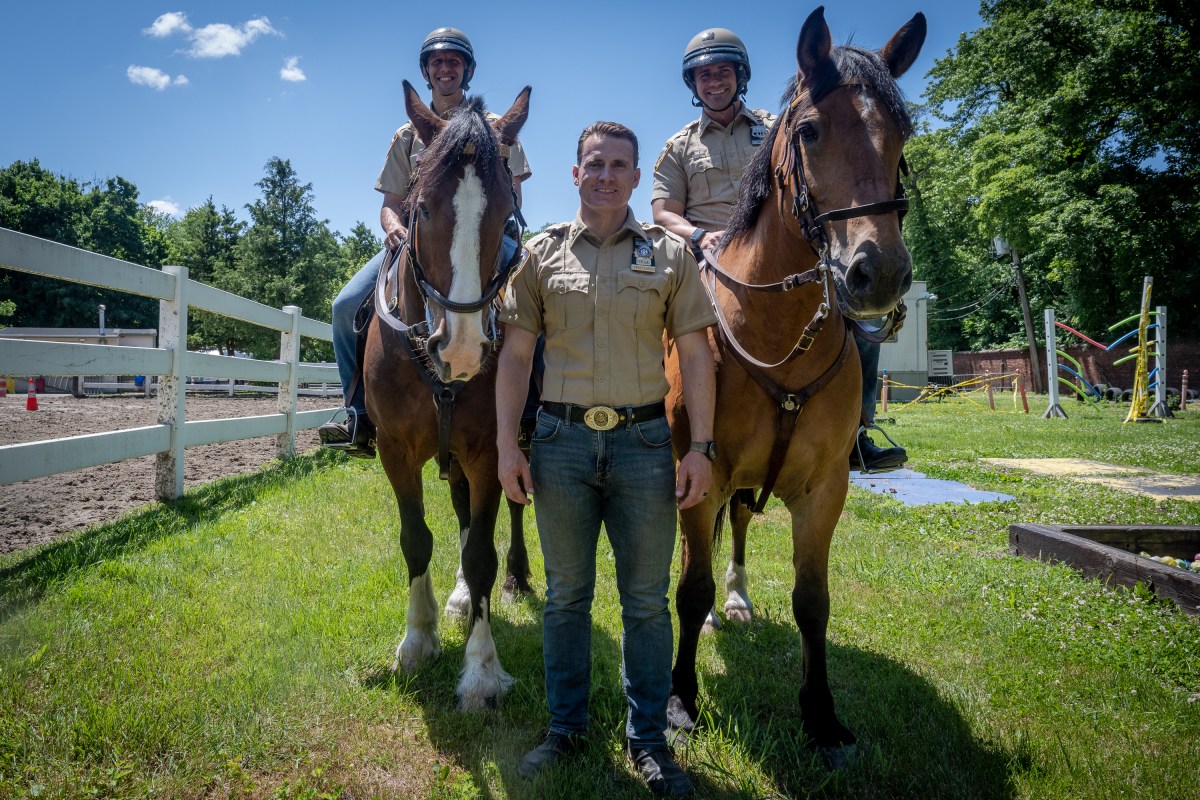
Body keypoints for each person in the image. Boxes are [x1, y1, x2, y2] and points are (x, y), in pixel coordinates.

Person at [496, 121, 716, 797]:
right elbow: (516, 356)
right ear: (575, 173)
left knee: (646, 603)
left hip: (646, 444)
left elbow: (698, 354)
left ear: (634, 174)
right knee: (565, 598)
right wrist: (508, 442)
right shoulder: (539, 255)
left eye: (620, 165)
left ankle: (648, 741)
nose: (607, 175)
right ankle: (565, 729)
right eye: (595, 163)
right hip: (560, 445)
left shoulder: (669, 256)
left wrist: (701, 447)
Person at [652, 28, 907, 473]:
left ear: (740, 76)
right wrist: (696, 237)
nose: (714, 82)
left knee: (857, 320)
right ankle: (658, 424)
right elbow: (663, 212)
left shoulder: (779, 125)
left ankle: (857, 431)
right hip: (707, 255)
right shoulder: (679, 146)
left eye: (723, 72)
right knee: (657, 318)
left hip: (783, 253)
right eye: (704, 75)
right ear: (693, 84)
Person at [319, 27, 531, 457]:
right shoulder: (406, 136)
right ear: (426, 72)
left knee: (538, 309)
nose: (445, 68)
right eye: (436, 62)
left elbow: (514, 195)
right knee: (345, 306)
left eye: (454, 61)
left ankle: (532, 415)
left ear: (467, 70)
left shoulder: (498, 129)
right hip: (417, 240)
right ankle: (356, 412)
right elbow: (390, 203)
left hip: (486, 237)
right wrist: (393, 227)